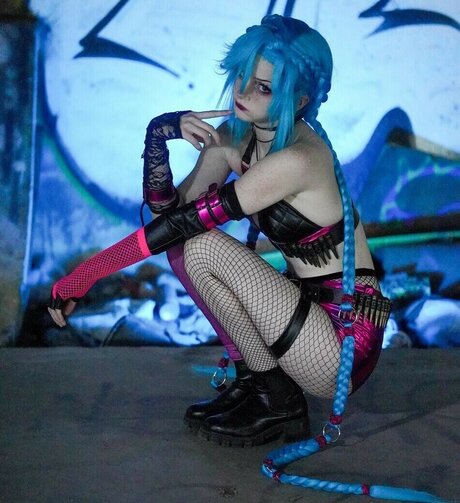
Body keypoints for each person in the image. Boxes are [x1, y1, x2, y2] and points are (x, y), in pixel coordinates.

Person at [48, 14, 391, 448]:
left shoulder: (298, 159)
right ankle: (261, 387)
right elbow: (167, 216)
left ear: (299, 98)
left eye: (263, 87)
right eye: (242, 75)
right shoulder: (235, 138)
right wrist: (159, 136)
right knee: (188, 246)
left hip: (342, 341)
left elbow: (182, 225)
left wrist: (84, 276)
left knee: (203, 245)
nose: (242, 92)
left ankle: (277, 401)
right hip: (303, 313)